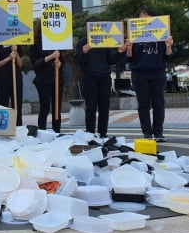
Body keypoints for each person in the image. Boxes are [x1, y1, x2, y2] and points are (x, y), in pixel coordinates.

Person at [73, 17, 127, 138]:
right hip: (88, 78)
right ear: (87, 28)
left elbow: (110, 59)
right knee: (91, 107)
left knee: (104, 107)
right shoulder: (82, 42)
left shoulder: (104, 40)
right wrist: (84, 52)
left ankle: (103, 133)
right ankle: (90, 134)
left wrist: (120, 51)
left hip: (104, 77)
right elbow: (77, 61)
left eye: (97, 26)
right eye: (92, 26)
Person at [126, 7, 174, 141]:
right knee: (143, 105)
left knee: (159, 104)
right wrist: (129, 49)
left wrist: (169, 45)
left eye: (147, 18)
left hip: (158, 72)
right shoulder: (134, 35)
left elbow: (168, 57)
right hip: (139, 74)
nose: (144, 21)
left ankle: (158, 132)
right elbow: (129, 58)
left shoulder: (161, 33)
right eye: (141, 19)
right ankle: (147, 133)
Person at [29, 22, 64, 133]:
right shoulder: (35, 44)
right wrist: (51, 57)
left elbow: (62, 60)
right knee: (45, 106)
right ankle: (42, 130)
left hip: (57, 80)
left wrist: (60, 63)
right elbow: (35, 63)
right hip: (43, 80)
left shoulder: (56, 42)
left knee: (57, 107)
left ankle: (57, 130)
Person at [0, 44, 23, 126]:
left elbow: (20, 64)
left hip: (16, 80)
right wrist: (9, 58)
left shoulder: (16, 45)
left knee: (17, 105)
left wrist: (16, 52)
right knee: (3, 105)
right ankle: (3, 128)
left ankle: (18, 127)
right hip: (2, 81)